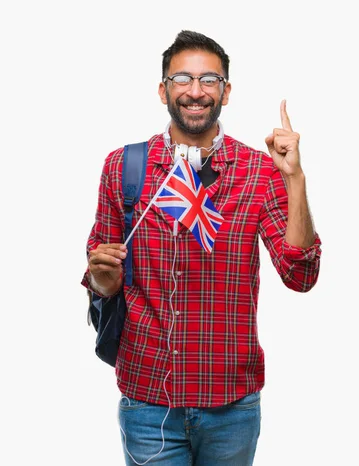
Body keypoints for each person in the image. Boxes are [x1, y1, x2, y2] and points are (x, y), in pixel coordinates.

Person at [82, 30, 321, 466]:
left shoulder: (258, 172)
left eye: (209, 79)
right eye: (183, 79)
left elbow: (300, 275)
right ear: (163, 90)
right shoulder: (124, 166)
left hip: (231, 403)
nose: (196, 91)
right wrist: (102, 277)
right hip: (149, 401)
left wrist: (294, 179)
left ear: (226, 92)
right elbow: (101, 277)